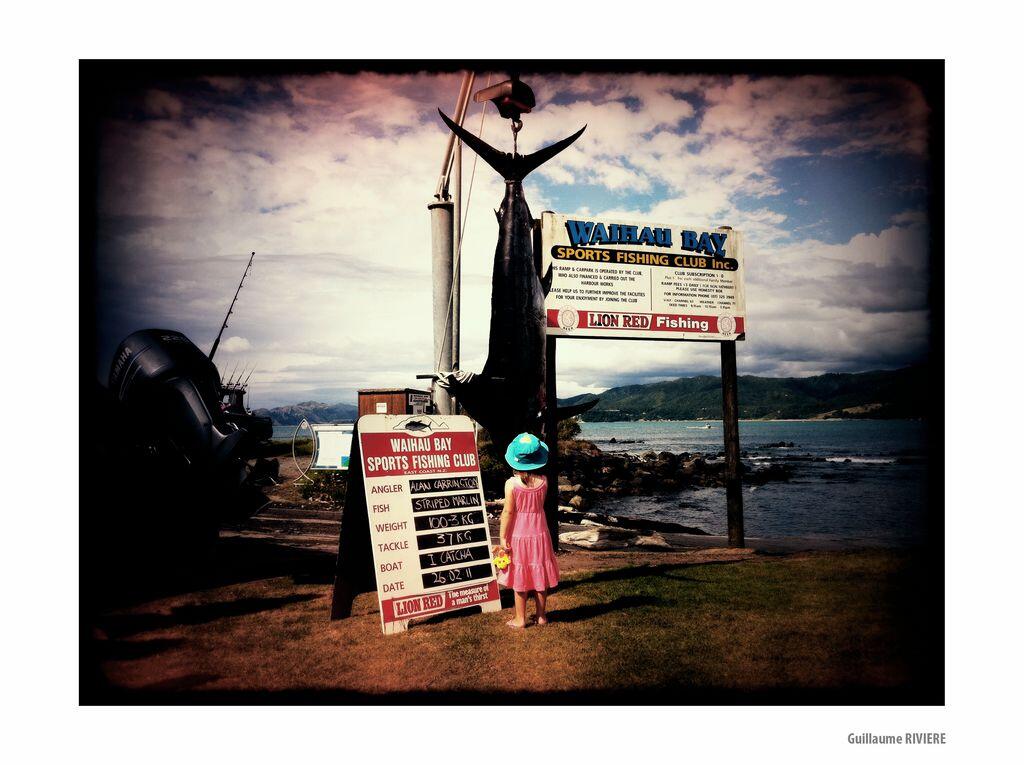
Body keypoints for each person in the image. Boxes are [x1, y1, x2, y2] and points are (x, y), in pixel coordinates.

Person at [498, 432, 560, 628]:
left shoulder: (511, 484)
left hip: (519, 534)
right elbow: (537, 505)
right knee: (539, 573)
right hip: (540, 533)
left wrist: (502, 537)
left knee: (520, 575)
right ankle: (542, 616)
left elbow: (508, 512)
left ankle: (520, 618)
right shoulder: (544, 481)